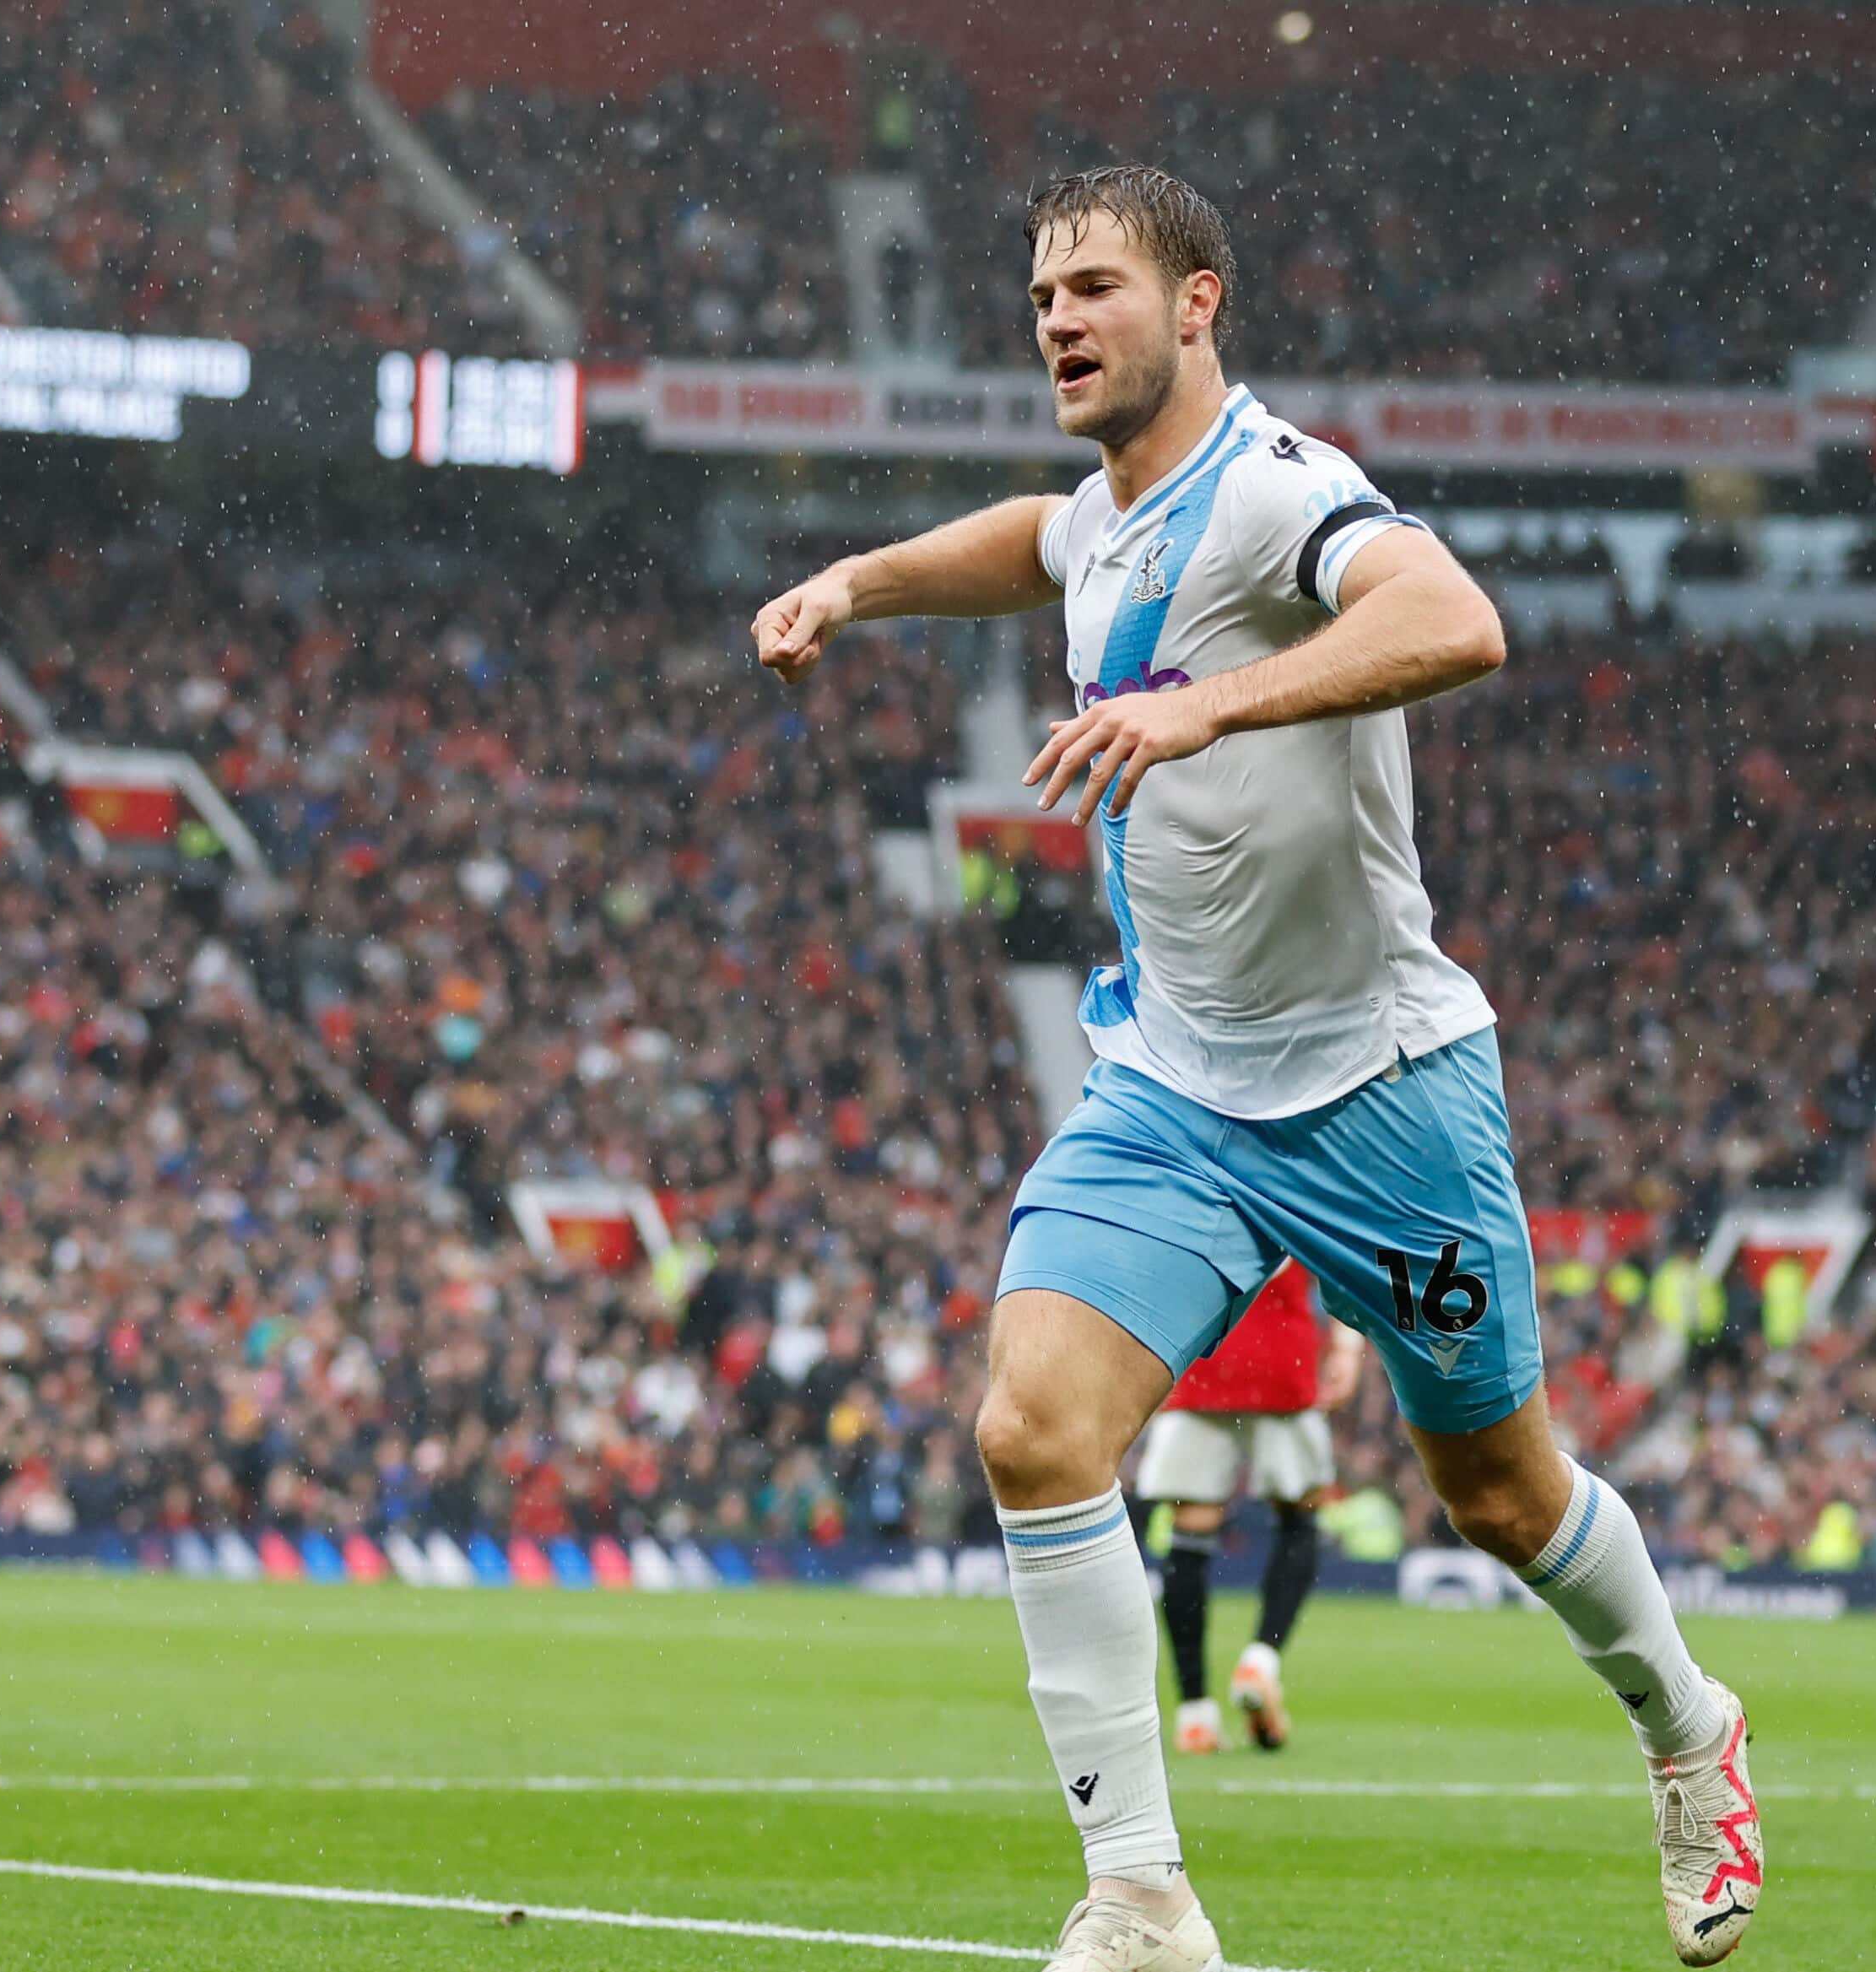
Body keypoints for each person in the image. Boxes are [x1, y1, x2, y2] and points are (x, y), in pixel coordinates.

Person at [753, 165, 1761, 1972]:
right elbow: (1033, 539)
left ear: (1198, 303)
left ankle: (1689, 1728)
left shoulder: (1277, 491)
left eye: (1095, 287)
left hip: (1381, 1083)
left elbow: (1454, 617)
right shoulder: (1109, 521)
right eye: (1040, 291)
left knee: (1502, 1493)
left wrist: (1206, 701)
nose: (1057, 318)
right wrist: (856, 579)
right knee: (1033, 1424)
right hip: (1170, 1090)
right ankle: (1138, 1894)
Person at [1138, 1260, 1363, 1755]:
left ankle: (1195, 1711)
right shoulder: (1301, 1179)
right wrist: (1348, 1347)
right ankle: (1261, 1661)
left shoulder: (1194, 1179)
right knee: (1301, 1517)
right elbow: (1339, 1255)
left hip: (1203, 1359)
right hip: (1283, 1362)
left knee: (1189, 1537)